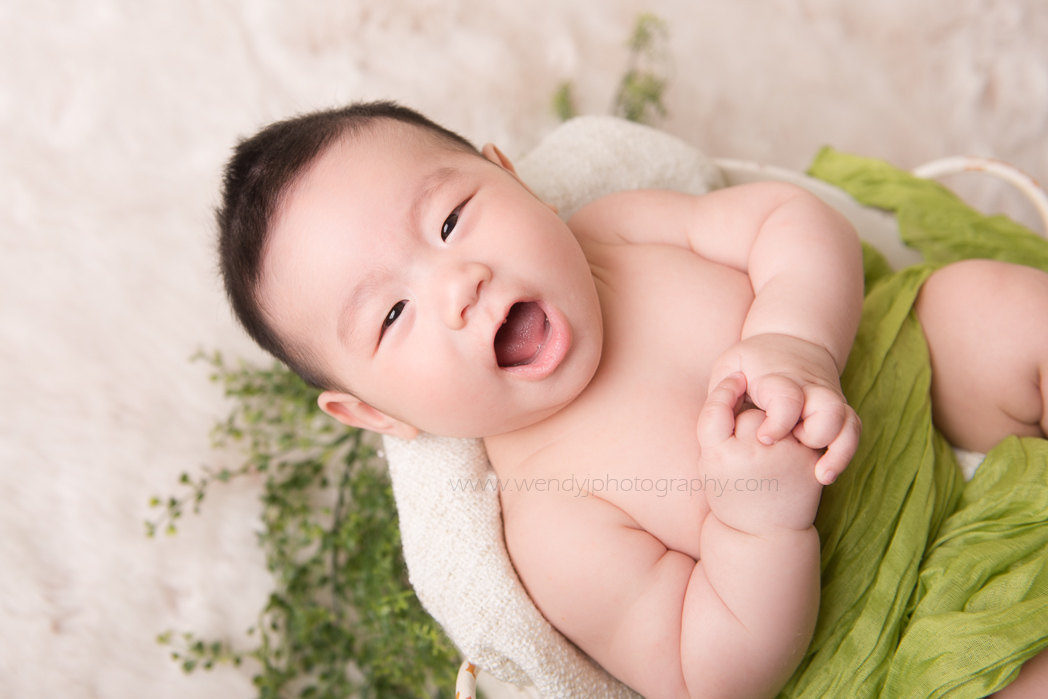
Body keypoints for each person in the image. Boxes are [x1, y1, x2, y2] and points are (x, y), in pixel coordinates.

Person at [216, 101, 1048, 698]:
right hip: (888, 611)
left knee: (997, 311)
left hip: (900, 377)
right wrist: (757, 523)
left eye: (450, 221)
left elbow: (784, 221)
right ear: (377, 414)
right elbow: (706, 670)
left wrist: (797, 338)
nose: (458, 285)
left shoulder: (619, 229)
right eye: (393, 314)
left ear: (513, 178)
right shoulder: (548, 517)